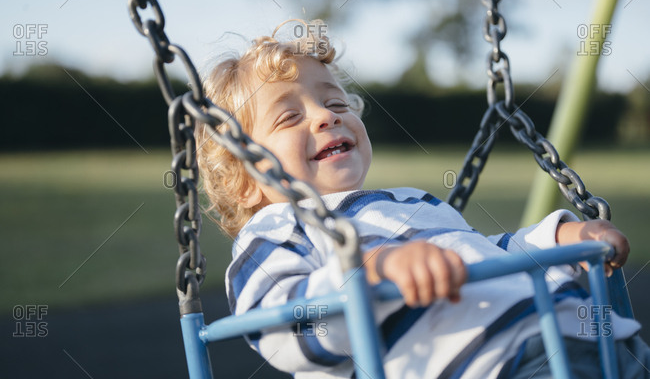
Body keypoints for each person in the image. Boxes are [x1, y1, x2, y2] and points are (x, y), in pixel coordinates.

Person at [196, 20, 648, 378]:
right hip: (498, 364)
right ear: (244, 180)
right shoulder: (275, 231)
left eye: (336, 104)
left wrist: (561, 238)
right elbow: (280, 325)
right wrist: (372, 272)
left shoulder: (411, 202)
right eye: (289, 116)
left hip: (596, 343)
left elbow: (485, 256)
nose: (324, 118)